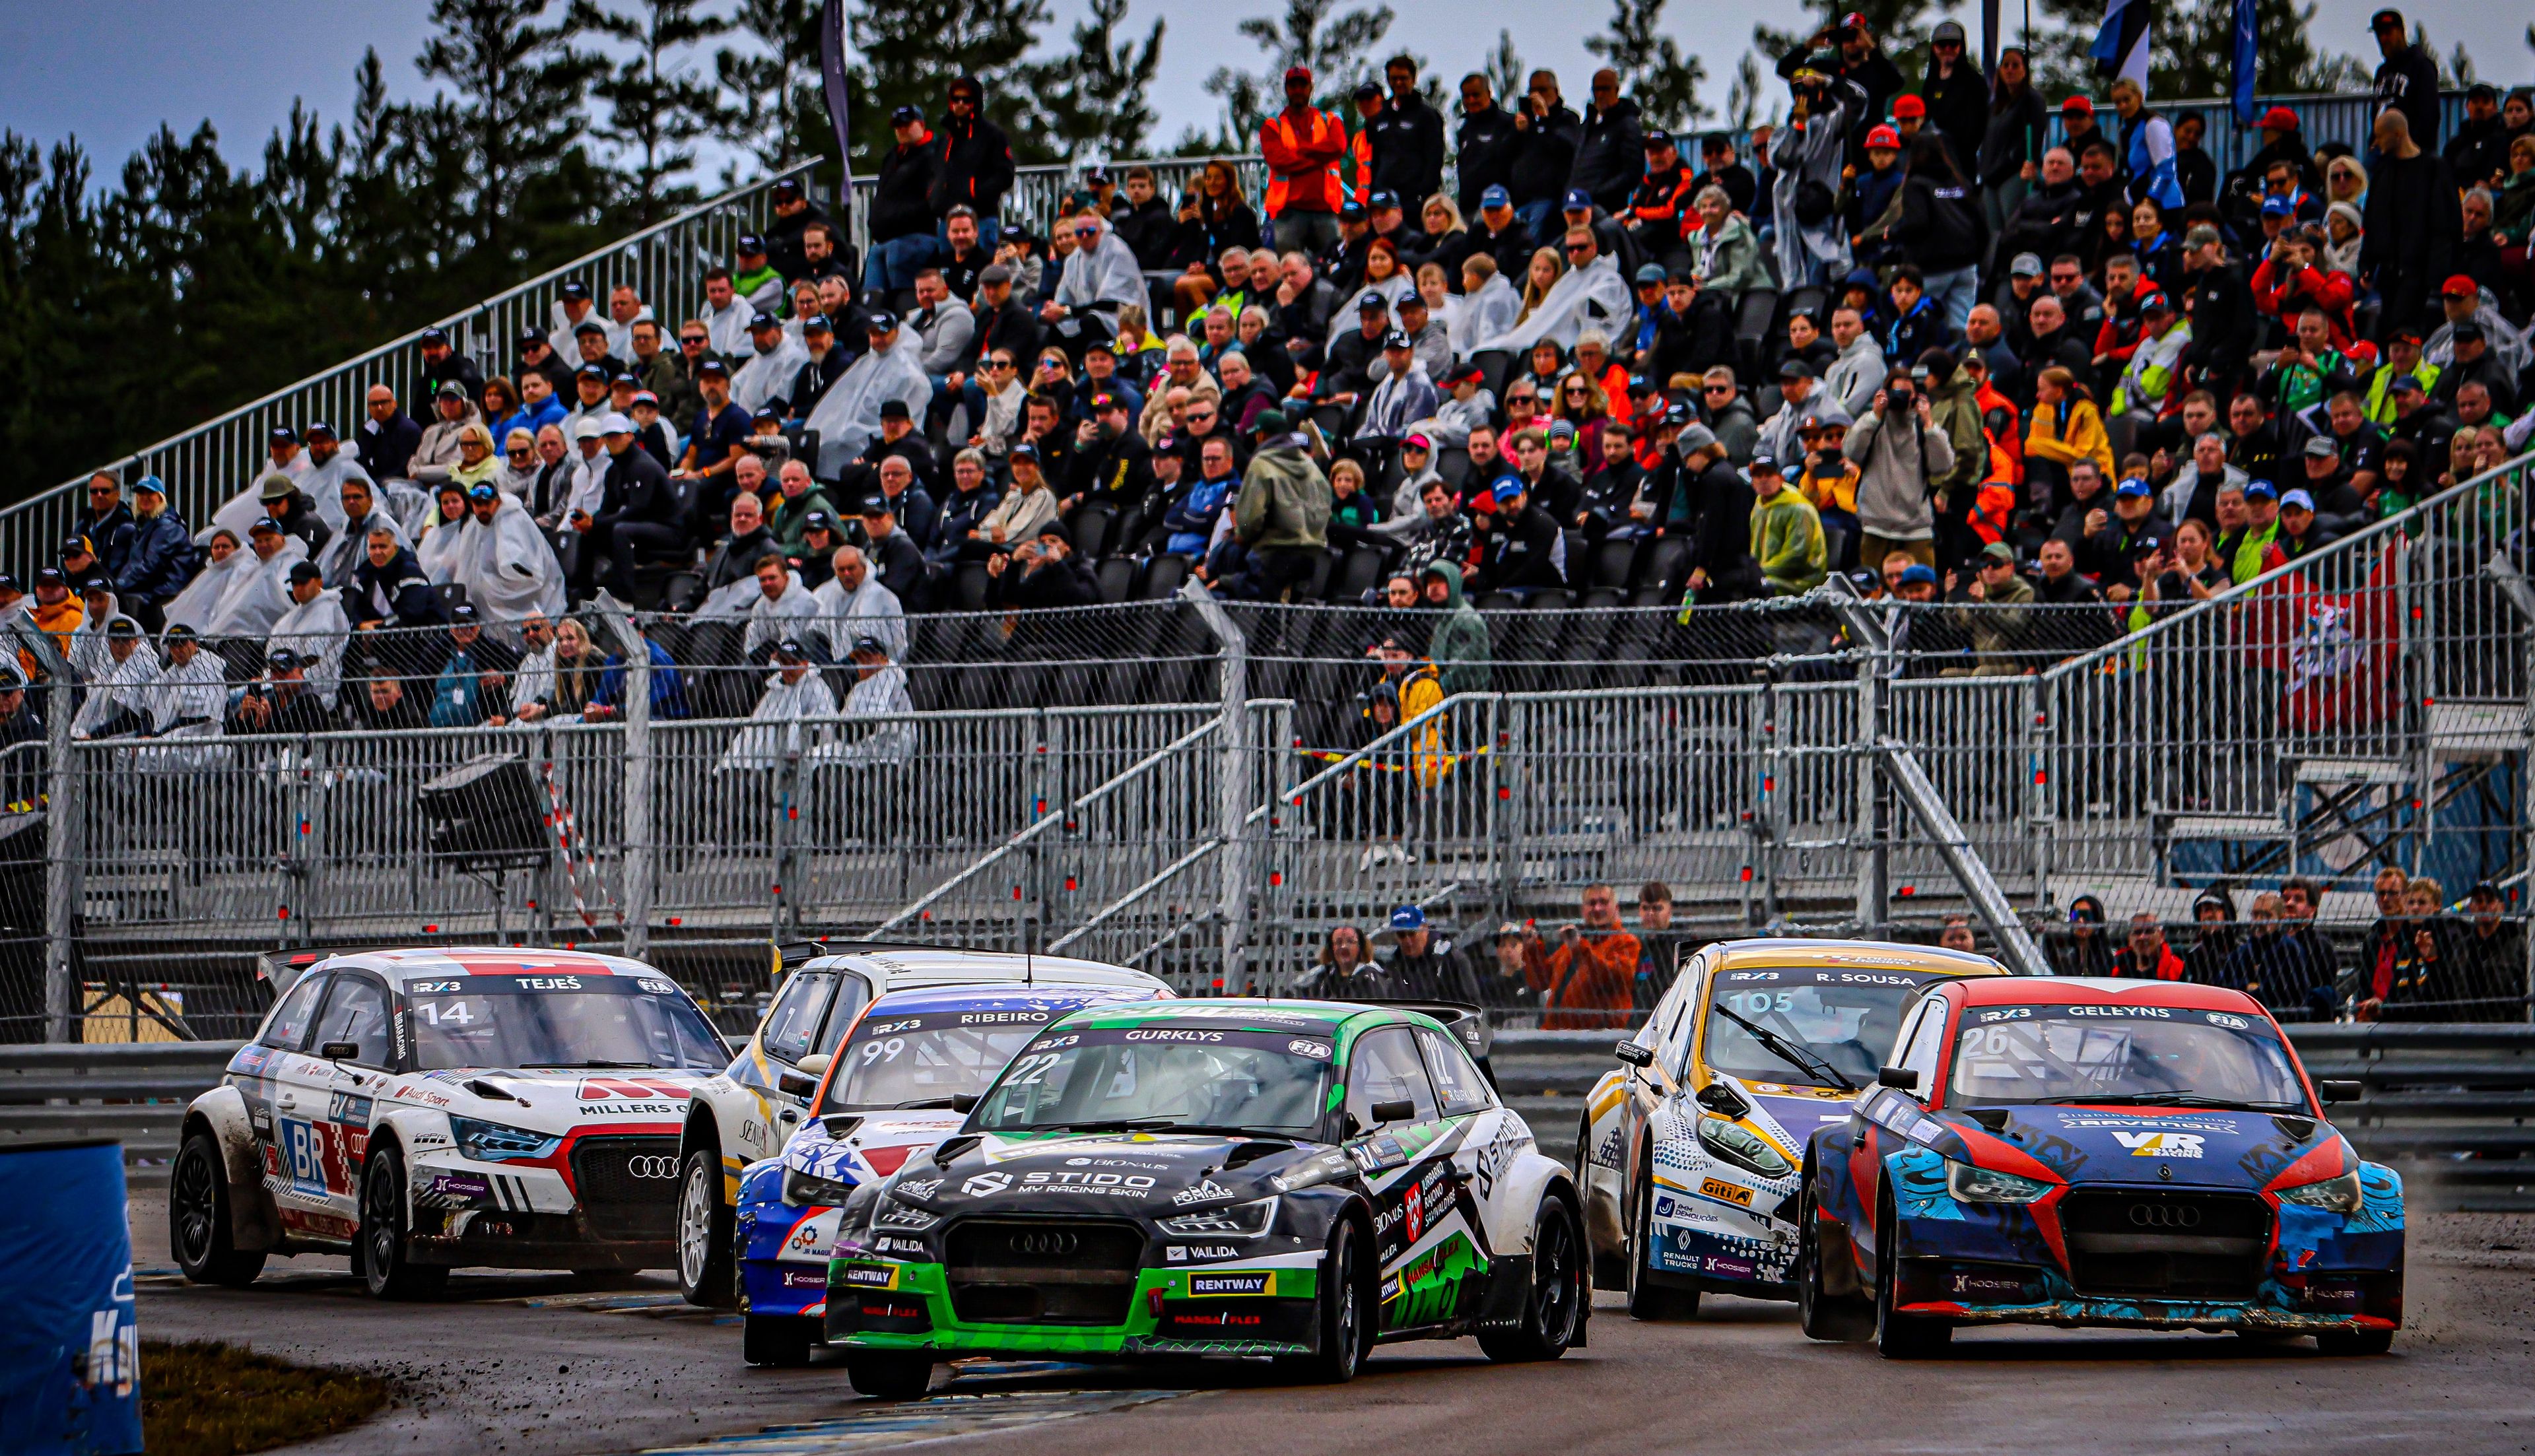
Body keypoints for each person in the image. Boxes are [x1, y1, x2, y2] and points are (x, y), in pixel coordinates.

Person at [1526, 883, 1639, 1029]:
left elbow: (1615, 978)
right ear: (1583, 910)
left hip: (1597, 1036)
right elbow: (1541, 982)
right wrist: (1533, 949)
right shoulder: (1576, 942)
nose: (1597, 908)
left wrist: (1581, 949)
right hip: (1558, 1032)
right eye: (1592, 903)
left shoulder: (1626, 941)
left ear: (1616, 908)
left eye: (1603, 902)